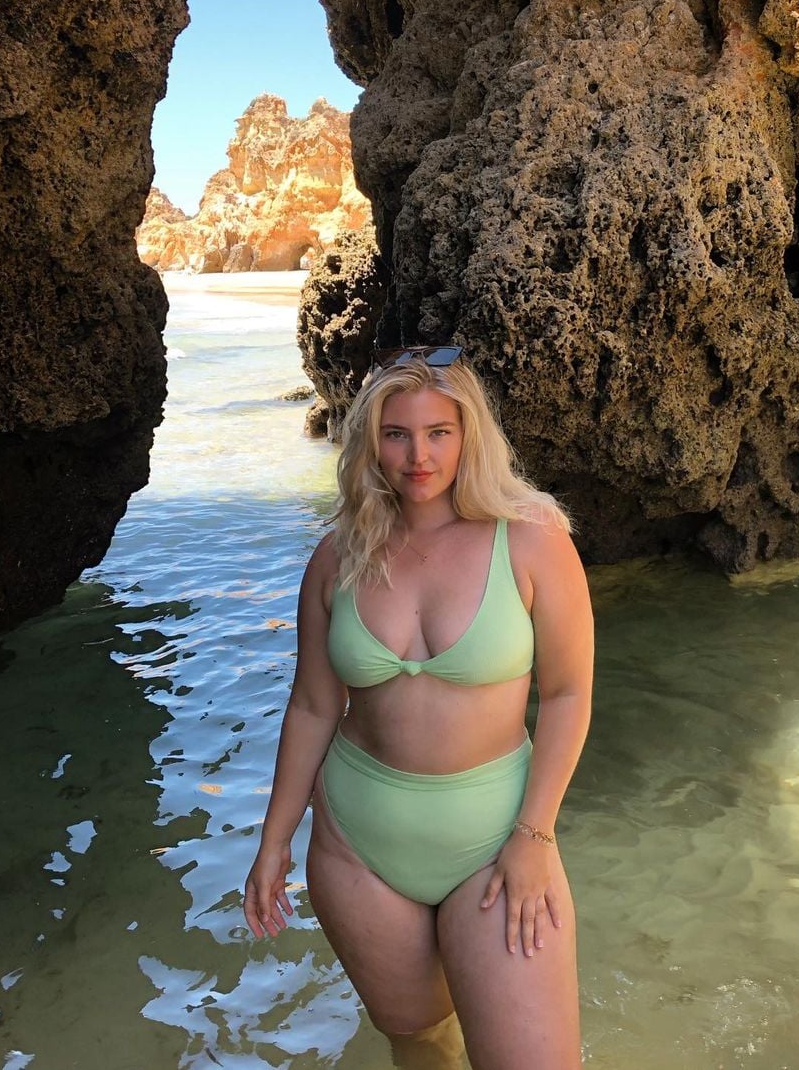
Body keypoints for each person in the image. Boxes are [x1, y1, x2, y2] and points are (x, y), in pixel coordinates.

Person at [243, 345, 595, 1069]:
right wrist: (274, 840)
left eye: (439, 432)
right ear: (371, 442)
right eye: (397, 434)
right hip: (358, 848)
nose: (418, 456)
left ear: (469, 435)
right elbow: (312, 707)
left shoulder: (532, 539)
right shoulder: (338, 557)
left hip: (496, 841)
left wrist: (535, 835)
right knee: (421, 1045)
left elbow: (567, 694)